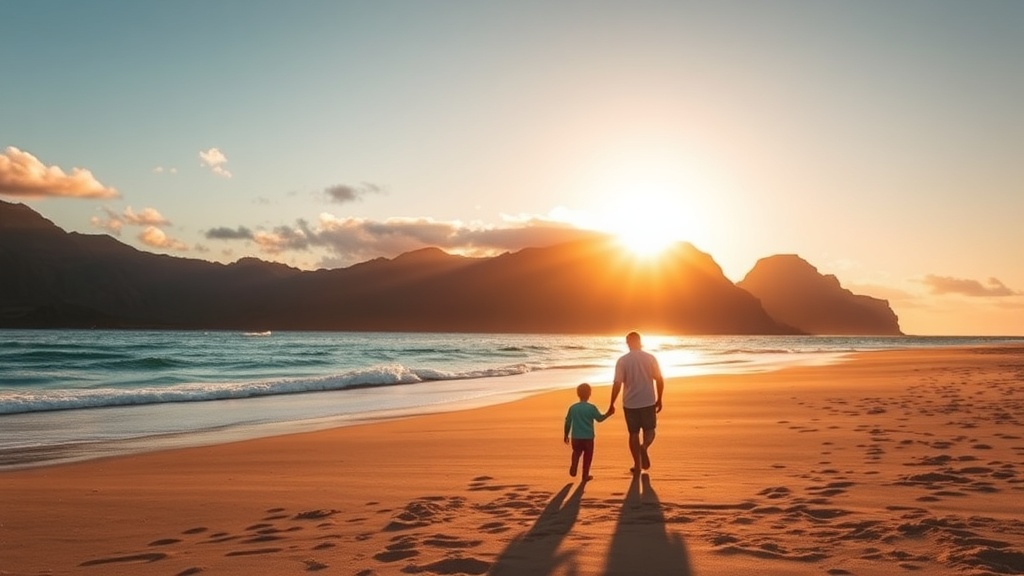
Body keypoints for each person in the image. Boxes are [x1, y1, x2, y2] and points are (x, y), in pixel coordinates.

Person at [608, 331, 664, 474]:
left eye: (627, 341)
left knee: (633, 433)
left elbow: (617, 383)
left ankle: (637, 466)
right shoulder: (650, 358)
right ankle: (644, 446)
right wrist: (660, 398)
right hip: (648, 401)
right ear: (640, 342)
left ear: (629, 343)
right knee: (650, 430)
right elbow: (659, 379)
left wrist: (612, 403)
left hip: (630, 403)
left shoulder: (623, 360)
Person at [563, 383, 614, 482]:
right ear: (589, 394)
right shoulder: (591, 408)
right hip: (588, 437)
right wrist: (609, 413)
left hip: (576, 437)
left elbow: (568, 422)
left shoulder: (573, 408)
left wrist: (566, 434)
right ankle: (585, 475)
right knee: (588, 456)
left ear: (578, 394)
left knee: (576, 452)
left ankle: (574, 465)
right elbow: (599, 419)